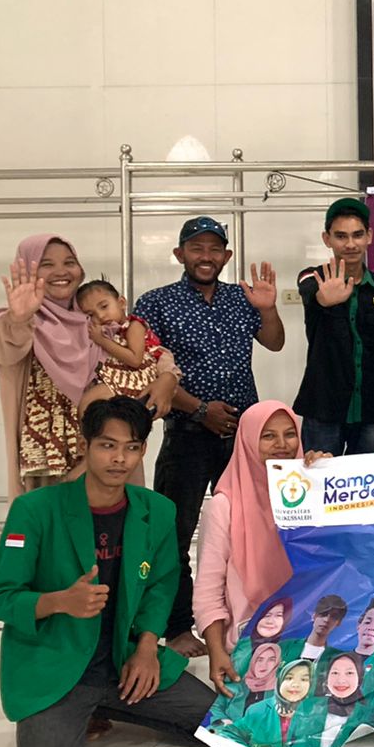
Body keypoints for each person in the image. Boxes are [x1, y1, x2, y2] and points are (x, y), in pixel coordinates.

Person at [0, 397, 217, 747]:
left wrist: (147, 648)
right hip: (59, 668)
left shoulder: (157, 511)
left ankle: (109, 704)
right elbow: (0, 599)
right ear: (85, 445)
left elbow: (162, 585)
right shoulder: (35, 510)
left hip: (124, 660)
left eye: (131, 447)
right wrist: (59, 602)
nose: (119, 459)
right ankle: (81, 708)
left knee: (225, 726)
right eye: (108, 445)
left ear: (143, 450)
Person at [134, 215, 285, 655]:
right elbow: (148, 368)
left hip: (242, 438)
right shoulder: (156, 303)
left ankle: (245, 619)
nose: (206, 256)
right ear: (179, 254)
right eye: (196, 248)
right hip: (186, 435)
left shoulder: (241, 298)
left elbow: (275, 342)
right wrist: (201, 411)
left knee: (250, 531)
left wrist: (268, 308)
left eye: (214, 248)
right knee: (174, 534)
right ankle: (179, 626)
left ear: (226, 255)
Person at [0, 234, 177, 497]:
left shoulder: (95, 320)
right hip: (46, 461)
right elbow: (6, 349)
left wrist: (168, 378)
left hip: (112, 459)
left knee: (117, 520)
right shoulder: (18, 322)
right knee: (50, 520)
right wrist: (19, 318)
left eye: (69, 262)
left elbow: (152, 352)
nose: (61, 271)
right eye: (47, 264)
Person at [196, 402, 331, 700]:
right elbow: (208, 590)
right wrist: (216, 652)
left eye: (289, 434)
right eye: (268, 436)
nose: (282, 445)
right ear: (247, 441)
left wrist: (328, 477)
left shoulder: (311, 494)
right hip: (247, 646)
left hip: (306, 638)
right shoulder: (224, 506)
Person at [293, 198, 374, 456]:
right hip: (323, 407)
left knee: (368, 480)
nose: (350, 244)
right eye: (341, 236)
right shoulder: (314, 277)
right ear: (327, 239)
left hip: (370, 408)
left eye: (357, 235)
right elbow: (309, 289)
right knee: (319, 477)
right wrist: (324, 299)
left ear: (369, 236)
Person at [74, 279, 166, 413]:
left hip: (134, 378)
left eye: (104, 306)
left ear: (122, 303)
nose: (100, 316)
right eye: (90, 314)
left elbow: (135, 360)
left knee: (87, 404)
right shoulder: (106, 331)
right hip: (113, 376)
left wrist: (102, 341)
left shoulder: (134, 326)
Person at [232, 659, 322, 747]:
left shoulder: (317, 713)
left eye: (304, 679)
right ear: (279, 681)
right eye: (289, 678)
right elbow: (231, 733)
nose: (296, 684)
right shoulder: (257, 710)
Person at [316, 651, 370, 747]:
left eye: (349, 673)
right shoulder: (309, 709)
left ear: (360, 677)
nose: (341, 680)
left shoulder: (370, 714)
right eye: (335, 673)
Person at [280, 595, 349, 667]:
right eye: (323, 614)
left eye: (333, 617)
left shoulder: (337, 658)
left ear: (339, 622)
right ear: (314, 616)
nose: (326, 620)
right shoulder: (285, 647)